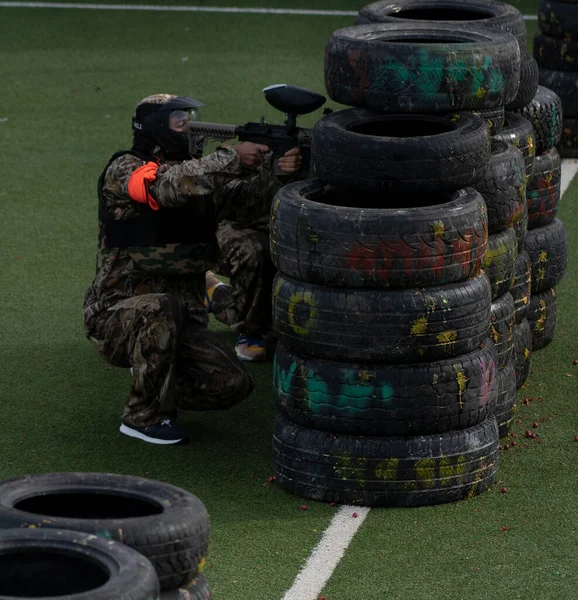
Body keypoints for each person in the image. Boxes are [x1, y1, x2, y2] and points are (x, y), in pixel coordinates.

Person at [82, 93, 301, 445]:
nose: (189, 127)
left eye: (189, 118)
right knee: (161, 305)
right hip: (114, 316)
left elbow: (248, 205)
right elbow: (166, 187)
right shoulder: (125, 168)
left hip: (180, 320)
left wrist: (275, 172)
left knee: (233, 384)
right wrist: (233, 157)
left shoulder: (203, 179)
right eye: (179, 121)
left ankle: (158, 379)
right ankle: (141, 416)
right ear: (155, 128)